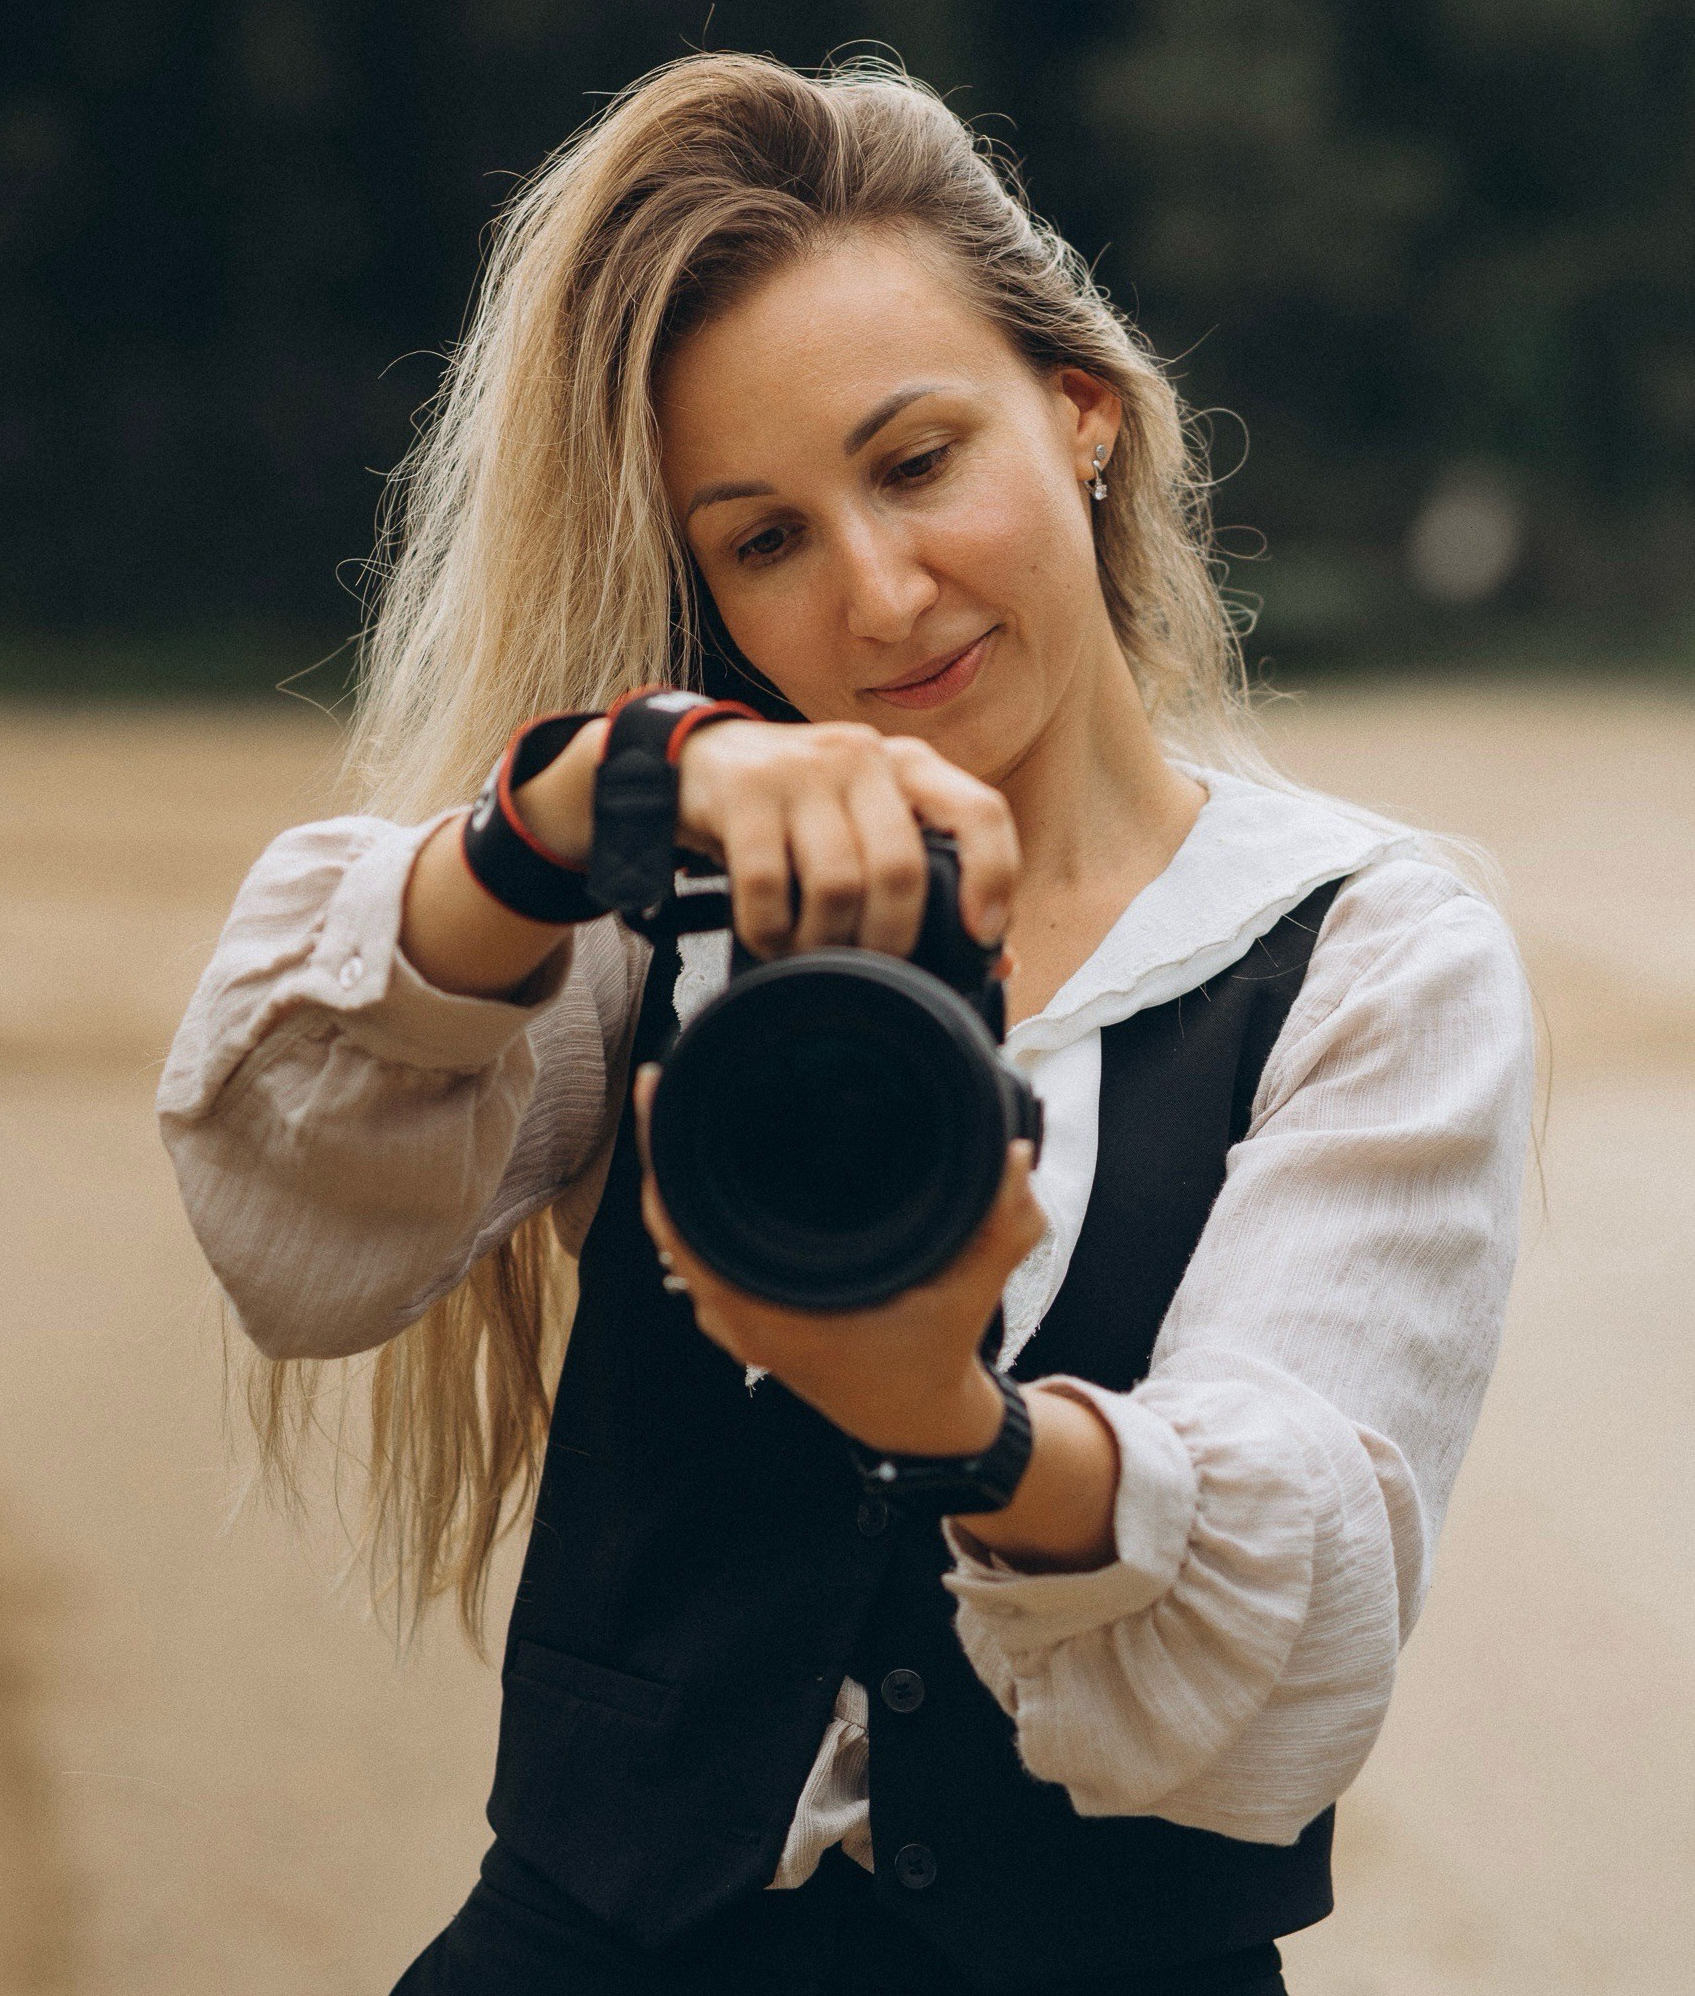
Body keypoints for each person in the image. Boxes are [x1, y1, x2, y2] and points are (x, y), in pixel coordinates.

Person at [156, 53, 1534, 1996]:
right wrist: (562, 808)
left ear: (1078, 411)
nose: (878, 595)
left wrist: (944, 1420)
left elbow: (1293, 1610)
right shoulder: (650, 888)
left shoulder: (1362, 947)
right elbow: (292, 1209)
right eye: (762, 538)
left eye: (911, 461)